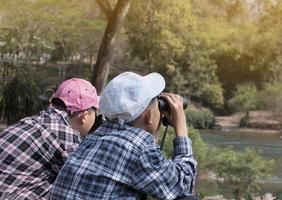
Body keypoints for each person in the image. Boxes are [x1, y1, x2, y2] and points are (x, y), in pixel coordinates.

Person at [49, 72, 198, 200]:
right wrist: (181, 129)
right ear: (150, 115)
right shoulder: (138, 149)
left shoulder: (95, 136)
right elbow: (184, 184)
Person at [0, 78, 99, 200]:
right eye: (95, 111)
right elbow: (85, 181)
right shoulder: (65, 135)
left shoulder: (33, 121)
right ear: (84, 116)